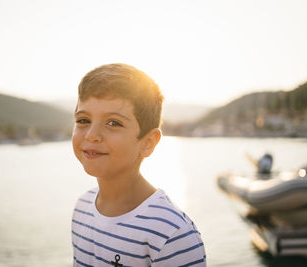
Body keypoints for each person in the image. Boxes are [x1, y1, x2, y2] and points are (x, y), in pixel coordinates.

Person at [71, 63, 206, 266]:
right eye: (83, 120)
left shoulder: (171, 232)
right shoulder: (82, 208)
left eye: (113, 123)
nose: (91, 135)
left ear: (147, 143)